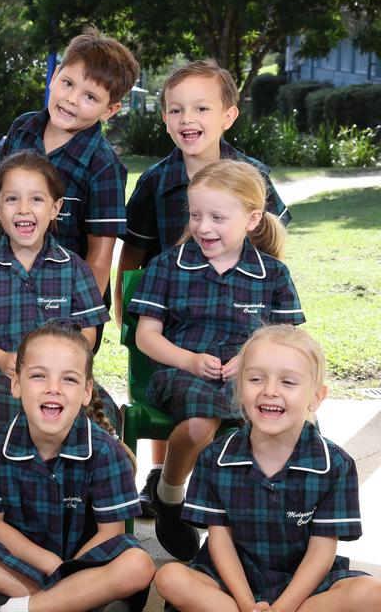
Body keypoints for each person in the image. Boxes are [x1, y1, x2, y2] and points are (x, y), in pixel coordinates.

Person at [115, 59, 291, 519]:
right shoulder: (156, 181)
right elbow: (133, 253)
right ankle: (163, 479)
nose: (187, 120)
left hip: (239, 323)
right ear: (165, 118)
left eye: (201, 108)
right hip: (176, 324)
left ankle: (246, 501)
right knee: (188, 400)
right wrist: (123, 312)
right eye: (175, 110)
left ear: (228, 115)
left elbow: (273, 256)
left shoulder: (253, 175)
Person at [126, 159, 304, 560]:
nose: (203, 227)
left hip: (252, 378)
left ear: (252, 219)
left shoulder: (272, 274)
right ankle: (170, 499)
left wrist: (251, 357)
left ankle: (256, 522)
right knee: (200, 422)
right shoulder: (168, 266)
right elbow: (146, 337)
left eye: (217, 217)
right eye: (196, 215)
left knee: (281, 417)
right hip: (181, 373)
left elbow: (290, 339)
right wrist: (188, 360)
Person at [154, 325, 381, 612]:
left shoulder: (336, 465)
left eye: (288, 382)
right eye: (256, 379)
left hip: (305, 586)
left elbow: (322, 551)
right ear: (239, 389)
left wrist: (284, 607)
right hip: (232, 583)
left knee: (372, 593)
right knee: (169, 578)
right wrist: (247, 603)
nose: (270, 391)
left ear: (316, 397)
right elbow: (220, 541)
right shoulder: (214, 458)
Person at [0, 320, 155, 612]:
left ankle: (17, 606)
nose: (53, 388)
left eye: (68, 379)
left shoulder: (106, 451)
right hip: (23, 563)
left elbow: (111, 533)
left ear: (86, 391)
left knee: (138, 564)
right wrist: (54, 567)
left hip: (85, 564)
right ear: (16, 384)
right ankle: (69, 603)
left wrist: (70, 570)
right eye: (39, 376)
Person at [0, 151, 114, 481]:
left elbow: (89, 331)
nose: (23, 209)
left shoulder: (73, 267)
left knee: (92, 429)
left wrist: (64, 362)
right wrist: (0, 358)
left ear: (55, 208)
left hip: (59, 374)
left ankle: (65, 499)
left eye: (36, 199)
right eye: (11, 199)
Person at [0, 28, 139, 309]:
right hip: (4, 289)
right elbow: (1, 209)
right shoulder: (21, 129)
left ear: (109, 110)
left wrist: (80, 316)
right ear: (54, 75)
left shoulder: (104, 165)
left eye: (90, 97)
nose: (72, 99)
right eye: (68, 83)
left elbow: (100, 254)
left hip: (65, 300)